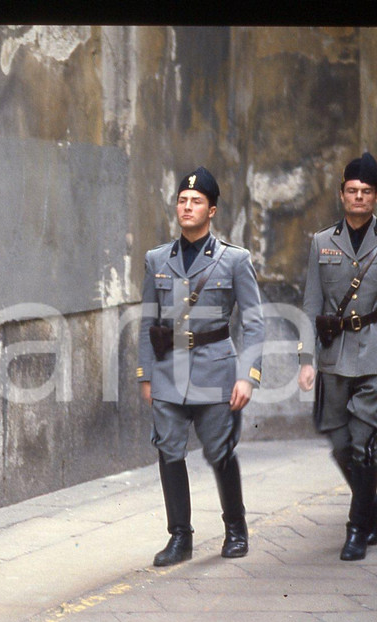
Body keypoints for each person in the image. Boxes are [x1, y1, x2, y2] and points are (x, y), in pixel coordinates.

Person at [137, 166, 265, 566]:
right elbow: (147, 321)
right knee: (170, 451)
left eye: (196, 202)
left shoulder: (233, 260)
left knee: (219, 451)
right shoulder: (157, 258)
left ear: (212, 210)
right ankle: (180, 537)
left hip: (215, 369)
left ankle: (236, 529)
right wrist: (145, 375)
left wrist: (247, 375)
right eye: (182, 200)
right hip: (168, 369)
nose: (187, 207)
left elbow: (254, 322)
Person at [297, 152, 377, 561]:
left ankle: (356, 528)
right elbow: (312, 300)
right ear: (342, 194)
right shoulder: (321, 242)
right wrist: (306, 359)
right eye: (352, 191)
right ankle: (370, 503)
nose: (359, 197)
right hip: (334, 353)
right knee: (337, 439)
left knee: (363, 441)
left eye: (366, 192)